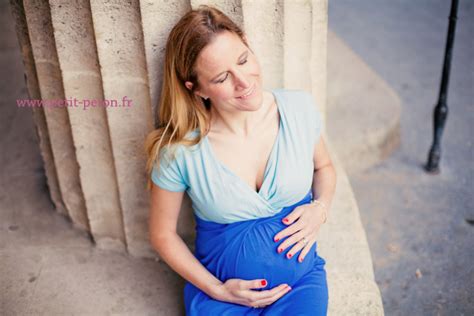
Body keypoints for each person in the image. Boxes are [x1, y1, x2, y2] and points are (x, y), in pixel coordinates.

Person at [145, 5, 337, 315]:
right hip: (222, 295)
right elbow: (161, 233)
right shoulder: (180, 152)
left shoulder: (299, 109)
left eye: (244, 60)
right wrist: (216, 289)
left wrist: (321, 208)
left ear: (247, 43)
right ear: (197, 89)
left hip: (300, 285)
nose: (244, 81)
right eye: (222, 78)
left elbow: (324, 167)